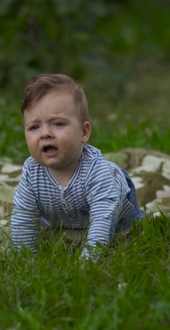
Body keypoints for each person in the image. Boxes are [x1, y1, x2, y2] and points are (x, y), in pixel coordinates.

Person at [11, 73, 145, 260]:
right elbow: (23, 219)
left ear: (83, 132)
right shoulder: (31, 173)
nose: (45, 134)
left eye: (57, 124)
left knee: (129, 234)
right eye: (34, 127)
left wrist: (87, 264)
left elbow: (102, 222)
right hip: (61, 215)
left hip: (115, 211)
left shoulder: (98, 174)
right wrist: (26, 261)